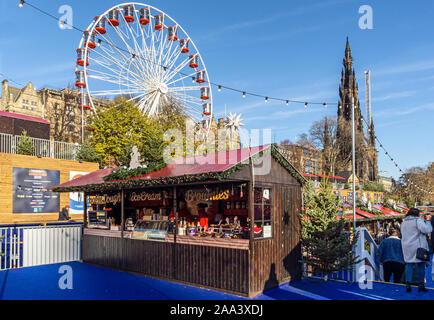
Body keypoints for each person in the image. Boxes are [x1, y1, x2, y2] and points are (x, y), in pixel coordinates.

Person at [400, 208, 433, 292]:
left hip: (406, 247)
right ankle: (421, 285)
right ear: (417, 214)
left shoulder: (403, 222)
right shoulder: (418, 221)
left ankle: (408, 284)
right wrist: (428, 221)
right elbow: (427, 230)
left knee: (409, 265)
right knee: (421, 265)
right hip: (418, 247)